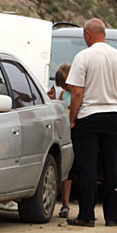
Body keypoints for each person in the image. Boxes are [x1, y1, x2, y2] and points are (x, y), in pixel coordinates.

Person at [64, 19, 117, 227]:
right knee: (111, 166)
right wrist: (116, 113)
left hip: (88, 116)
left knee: (88, 167)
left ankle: (87, 215)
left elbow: (76, 92)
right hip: (110, 115)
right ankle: (112, 216)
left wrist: (72, 119)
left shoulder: (83, 57)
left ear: (88, 35)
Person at [51, 63, 74, 218]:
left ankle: (67, 203)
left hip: (76, 132)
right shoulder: (63, 95)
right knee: (66, 171)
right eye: (62, 86)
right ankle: (64, 203)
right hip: (66, 133)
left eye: (66, 84)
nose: (65, 88)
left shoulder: (80, 92)